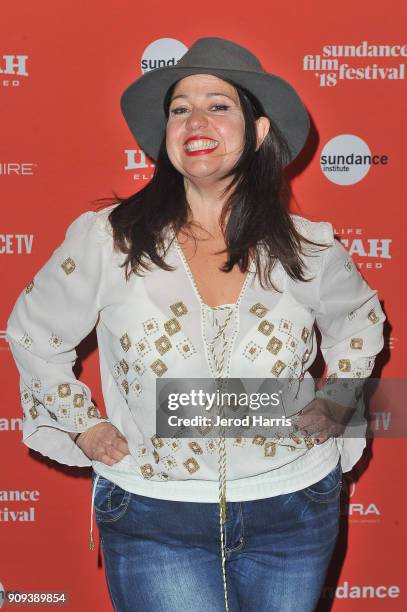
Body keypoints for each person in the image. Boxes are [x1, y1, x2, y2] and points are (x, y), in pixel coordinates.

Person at [6, 37, 386, 612]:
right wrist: (82, 425)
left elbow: (358, 319)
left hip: (293, 507)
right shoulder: (108, 238)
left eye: (219, 104)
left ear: (257, 132)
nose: (195, 119)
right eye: (180, 108)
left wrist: (337, 399)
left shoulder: (307, 246)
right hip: (153, 515)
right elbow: (34, 330)